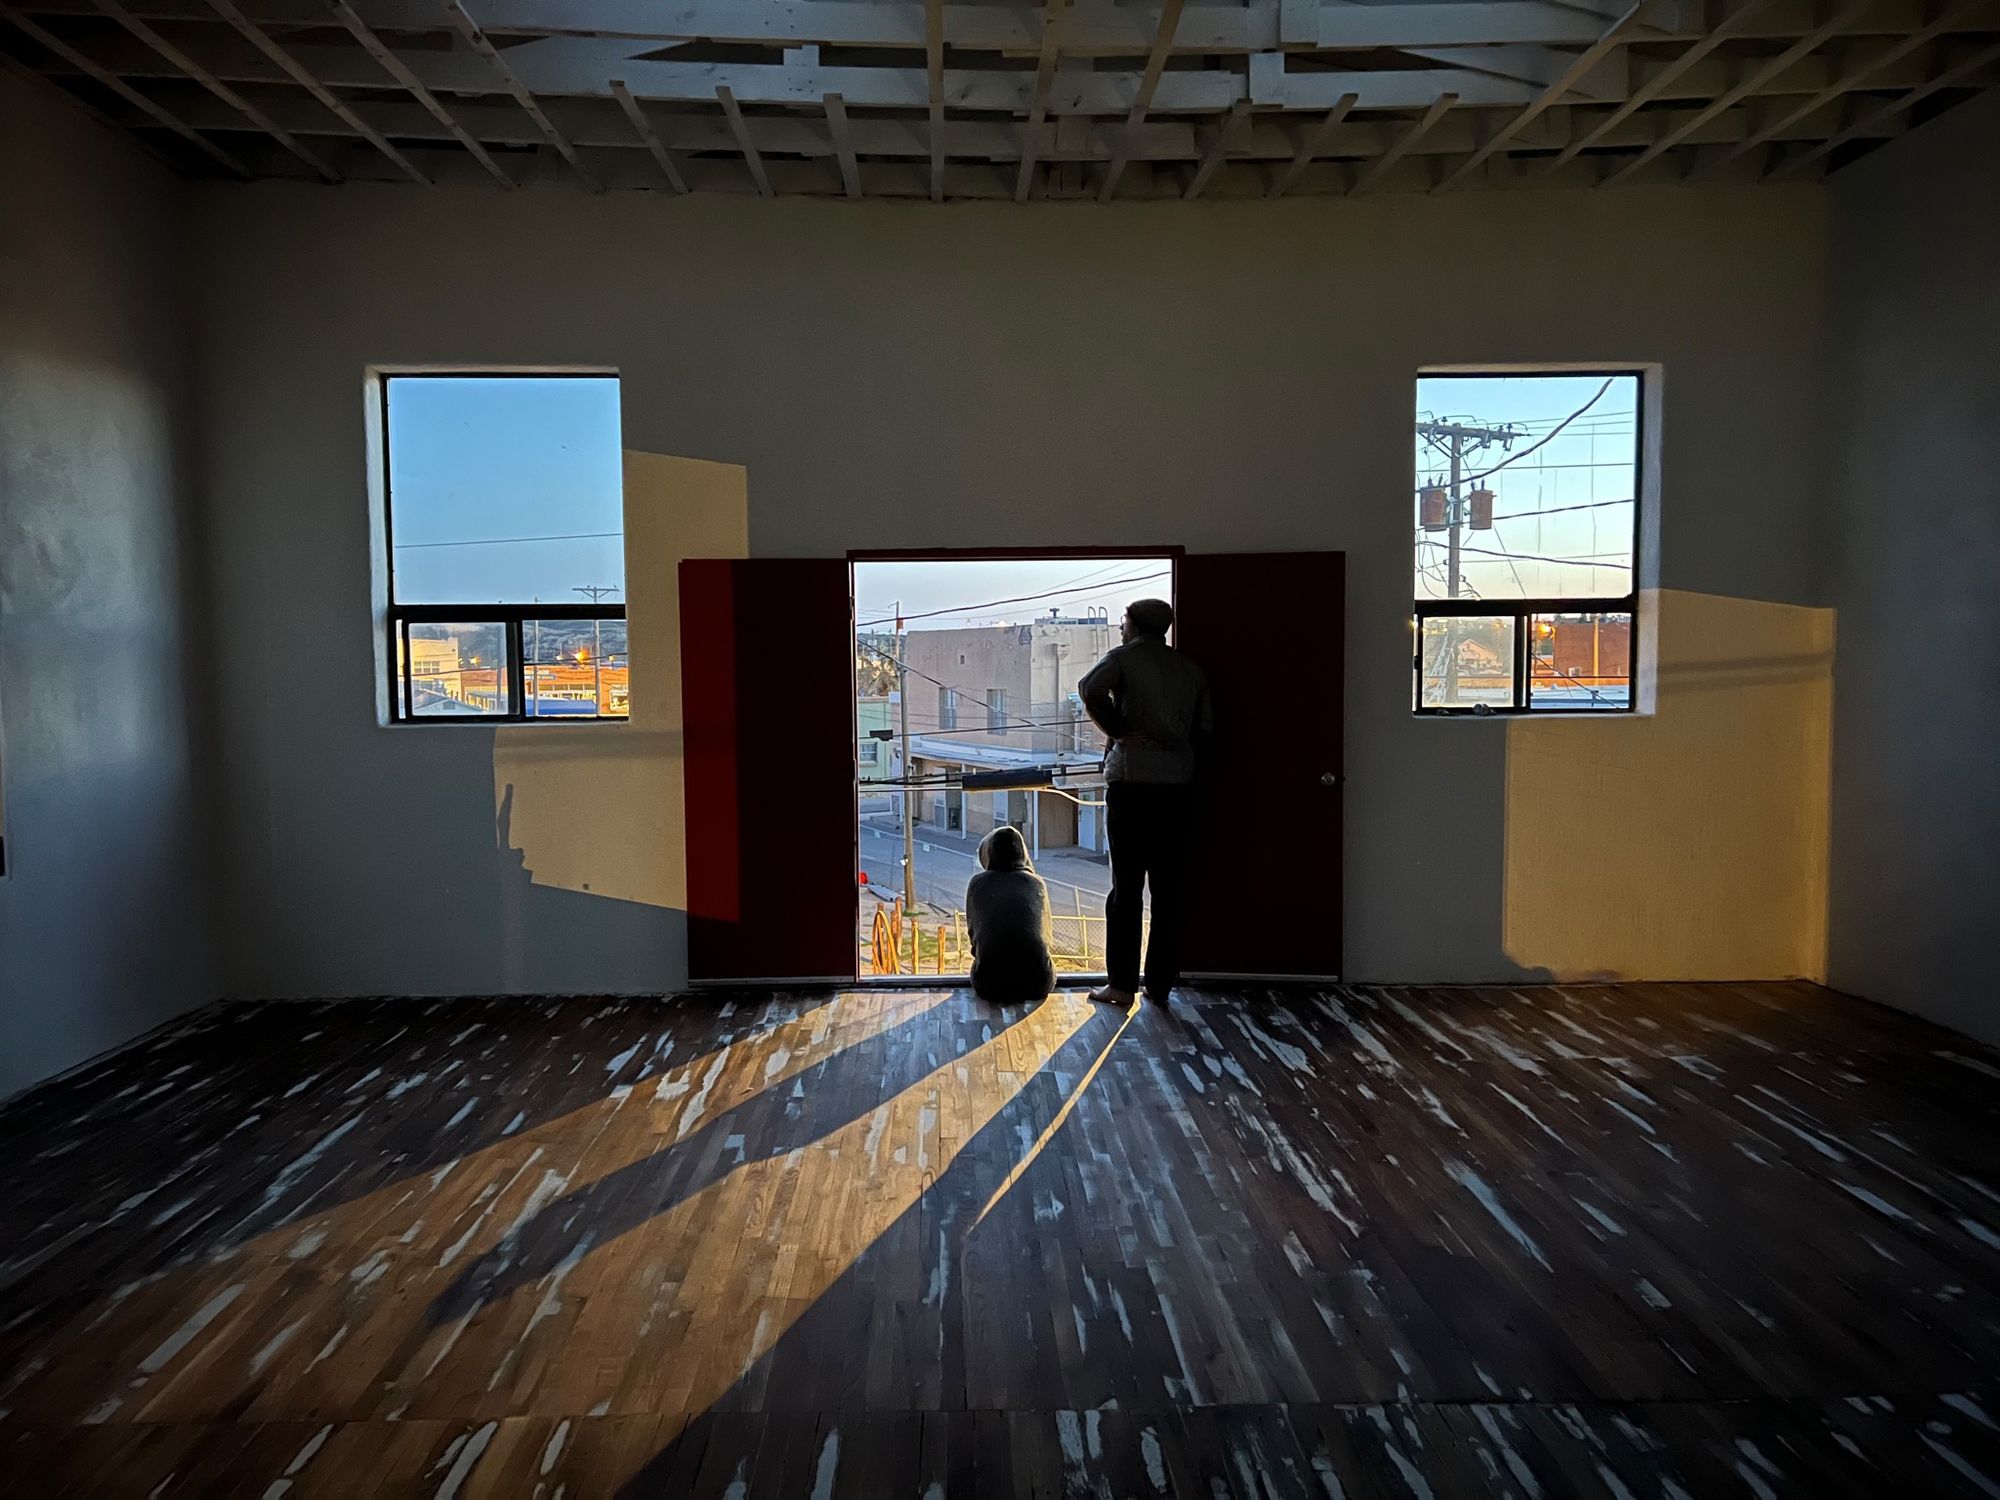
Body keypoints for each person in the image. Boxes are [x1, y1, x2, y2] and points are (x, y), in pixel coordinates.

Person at [1077, 597, 1212, 1007]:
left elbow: (1089, 689)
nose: (1121, 628)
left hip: (1132, 784)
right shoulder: (1189, 669)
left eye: (1123, 621)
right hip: (1178, 786)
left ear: (1133, 625)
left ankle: (1120, 986)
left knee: (1127, 888)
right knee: (1169, 890)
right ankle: (1160, 985)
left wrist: (1119, 731)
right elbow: (1205, 729)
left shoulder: (1123, 658)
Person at [965, 824, 1056, 1004]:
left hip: (989, 984)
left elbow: (974, 938)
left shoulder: (977, 884)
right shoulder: (1036, 884)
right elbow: (1047, 937)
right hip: (1039, 983)